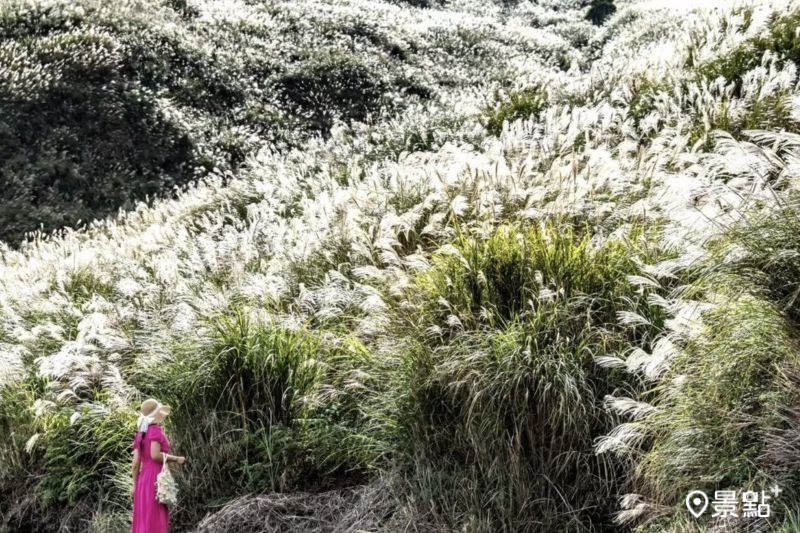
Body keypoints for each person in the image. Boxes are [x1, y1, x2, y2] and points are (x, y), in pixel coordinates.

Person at [131, 399, 186, 533]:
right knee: (155, 518)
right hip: (155, 479)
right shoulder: (155, 431)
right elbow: (155, 455)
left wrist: (134, 485)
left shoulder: (140, 434)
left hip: (143, 480)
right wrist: (176, 459)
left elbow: (135, 463)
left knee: (144, 518)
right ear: (156, 414)